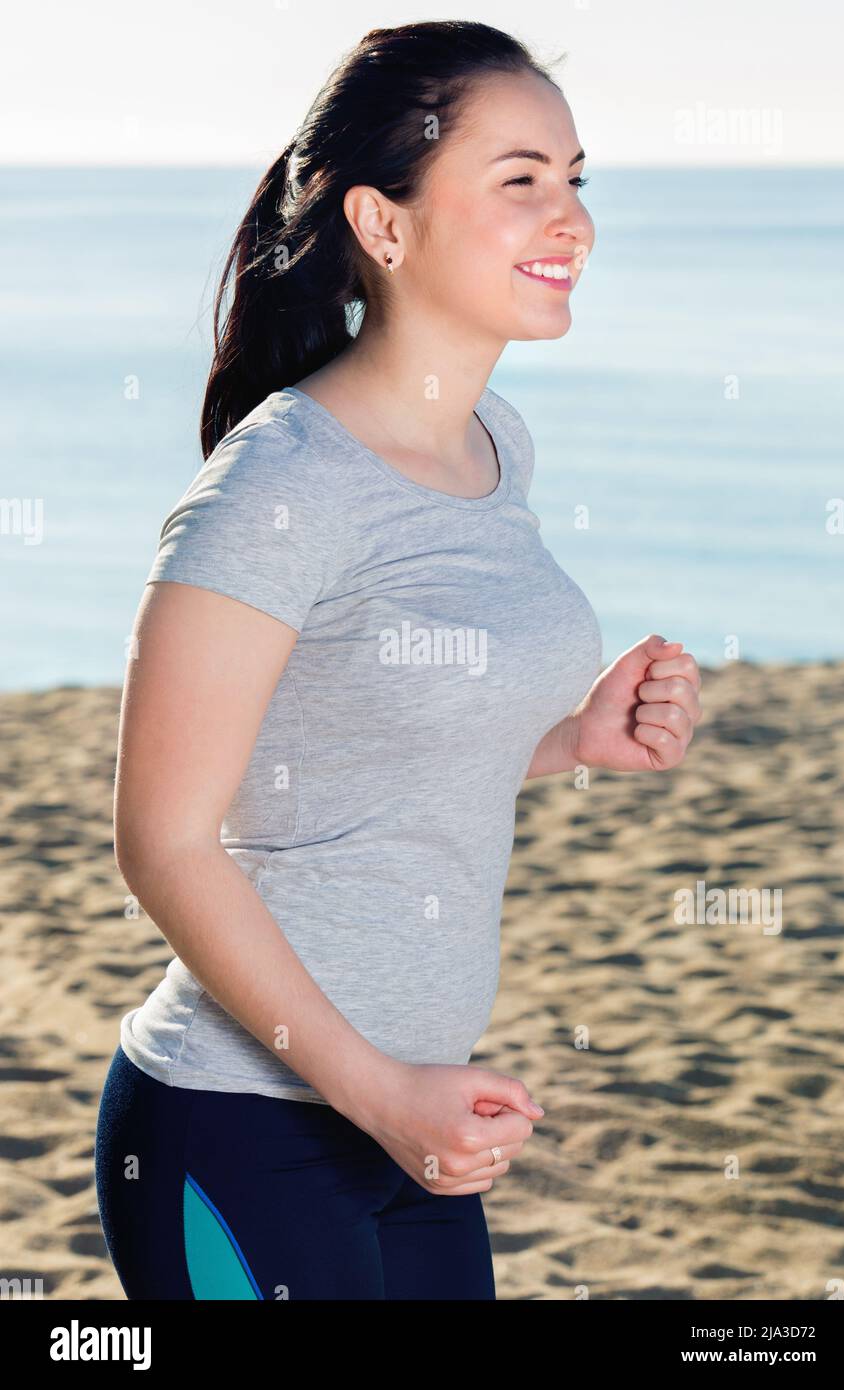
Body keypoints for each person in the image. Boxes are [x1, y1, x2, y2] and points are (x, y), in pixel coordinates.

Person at [95, 19, 702, 1301]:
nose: (570, 219)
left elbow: (362, 754)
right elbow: (163, 839)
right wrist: (379, 1092)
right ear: (382, 223)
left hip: (412, 1133)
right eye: (520, 178)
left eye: (576, 178)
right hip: (242, 1127)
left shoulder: (494, 439)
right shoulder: (276, 486)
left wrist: (568, 740)